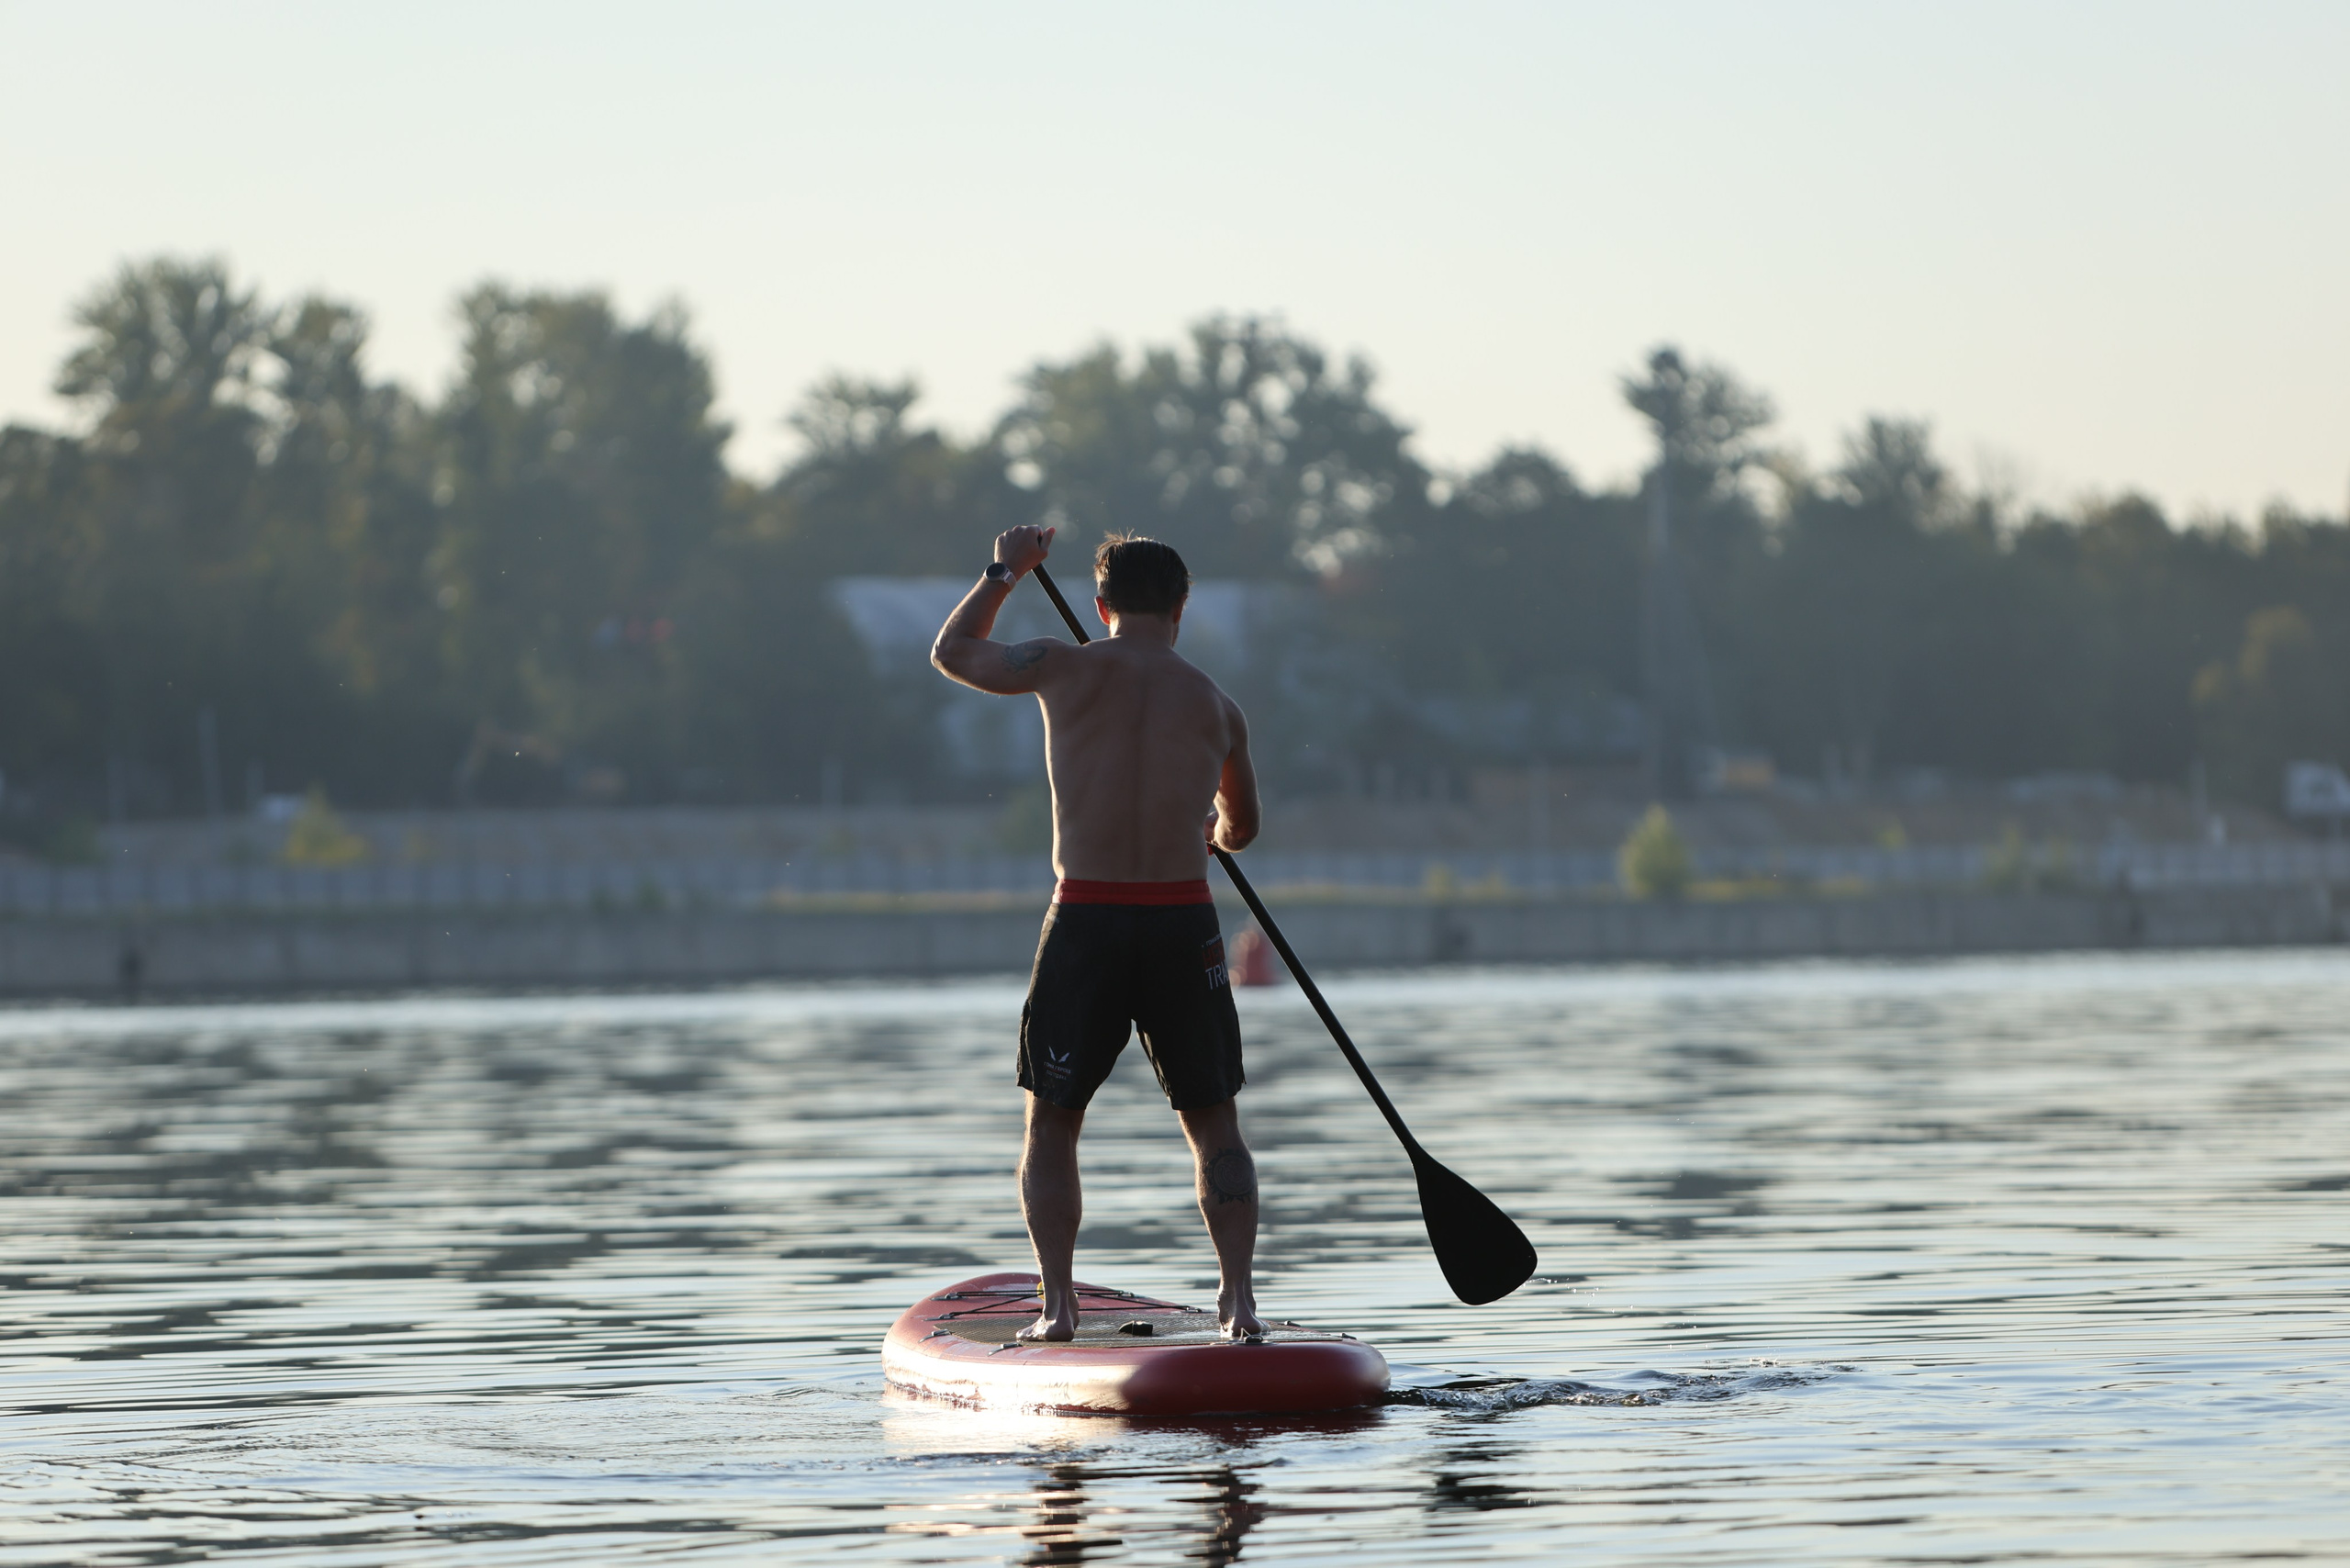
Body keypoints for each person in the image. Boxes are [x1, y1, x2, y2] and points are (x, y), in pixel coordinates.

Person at [932, 524, 1266, 1341]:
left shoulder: (1061, 666)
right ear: (1182, 608)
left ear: (1100, 604)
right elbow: (1242, 831)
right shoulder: (1219, 707)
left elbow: (954, 653)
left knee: (1052, 1118)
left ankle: (1058, 1307)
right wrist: (1207, 827)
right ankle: (1238, 1305)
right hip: (1182, 921)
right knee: (1215, 1121)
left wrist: (1008, 569)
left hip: (1084, 920)